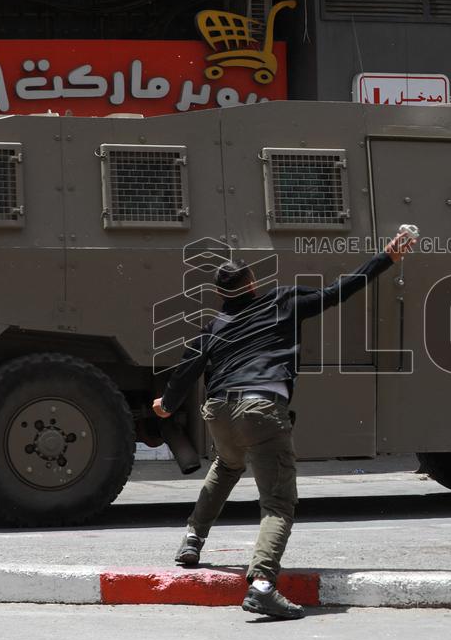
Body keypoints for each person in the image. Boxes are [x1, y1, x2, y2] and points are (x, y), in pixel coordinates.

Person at [153, 229, 416, 619]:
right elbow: (338, 291)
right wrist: (386, 258)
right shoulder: (282, 301)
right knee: (277, 503)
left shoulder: (214, 327)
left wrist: (166, 405)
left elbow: (186, 370)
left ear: (222, 294)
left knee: (227, 465)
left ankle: (192, 539)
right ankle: (262, 584)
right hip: (260, 408)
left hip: (219, 411)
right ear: (252, 283)